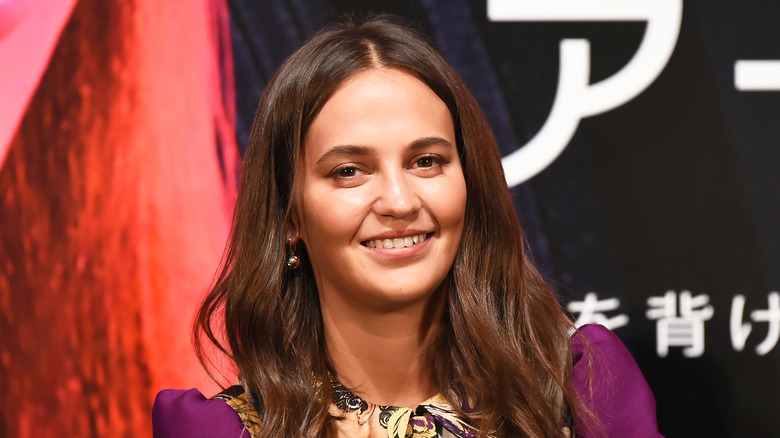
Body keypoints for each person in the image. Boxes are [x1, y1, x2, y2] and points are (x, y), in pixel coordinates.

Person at [153, 15, 662, 438]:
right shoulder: (222, 429)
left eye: (427, 161)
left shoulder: (583, 391)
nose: (399, 201)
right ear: (290, 218)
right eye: (349, 171)